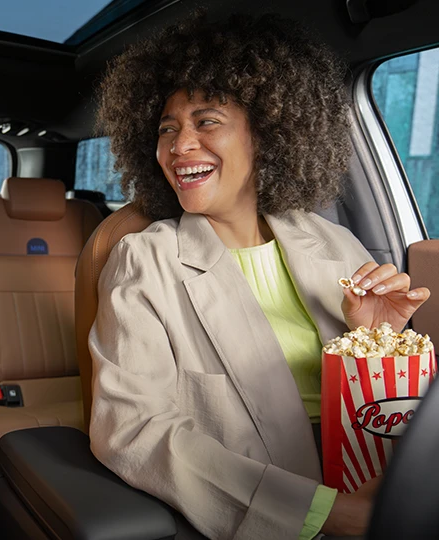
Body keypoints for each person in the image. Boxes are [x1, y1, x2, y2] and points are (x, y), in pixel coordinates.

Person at [88, 10, 430, 540]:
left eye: (206, 122)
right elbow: (133, 429)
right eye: (167, 129)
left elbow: (386, 408)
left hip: (384, 483)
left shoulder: (334, 242)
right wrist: (329, 514)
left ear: (268, 132)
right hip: (272, 512)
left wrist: (375, 340)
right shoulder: (144, 260)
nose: (179, 146)